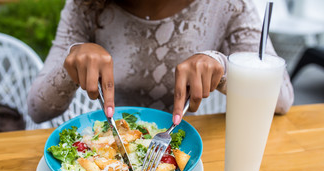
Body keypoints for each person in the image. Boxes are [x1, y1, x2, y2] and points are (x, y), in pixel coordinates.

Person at [27, 0, 294, 125]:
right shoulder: (86, 5)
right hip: (111, 142)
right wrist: (73, 58)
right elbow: (37, 110)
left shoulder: (230, 4)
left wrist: (221, 68)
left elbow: (281, 99)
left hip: (195, 153)